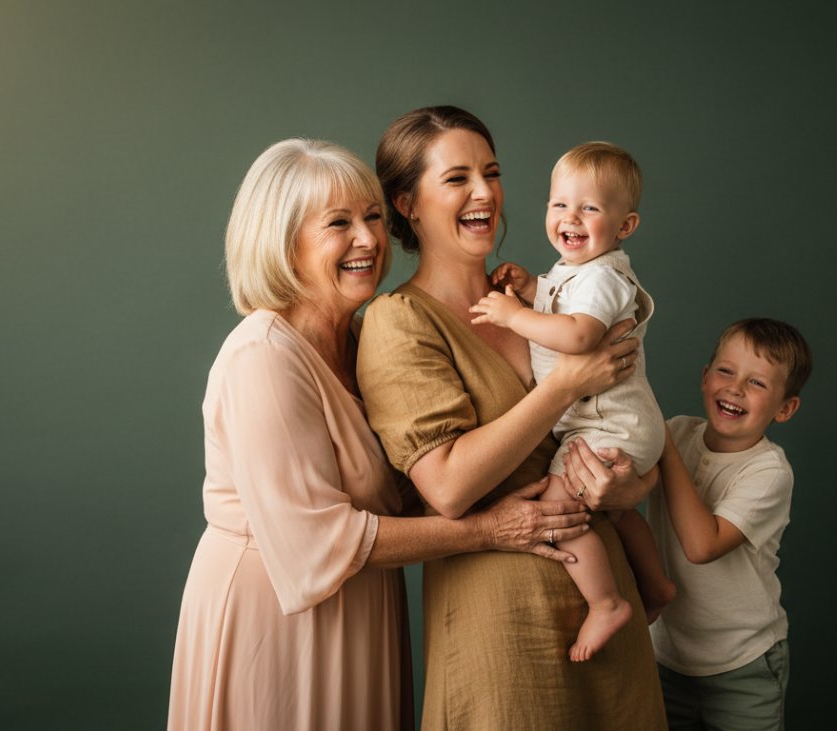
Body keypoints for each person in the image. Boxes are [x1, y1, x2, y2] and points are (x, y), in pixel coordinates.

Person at [166, 138, 595, 731]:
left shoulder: (361, 338)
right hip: (278, 617)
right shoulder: (262, 355)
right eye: (338, 224)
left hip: (362, 605)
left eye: (371, 217)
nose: (368, 239)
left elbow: (408, 481)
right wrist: (486, 529)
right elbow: (318, 540)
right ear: (282, 239)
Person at [358, 106, 667, 729]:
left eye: (492, 172)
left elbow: (628, 416)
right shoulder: (400, 321)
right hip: (501, 615)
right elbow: (446, 487)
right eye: (456, 178)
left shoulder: (556, 292)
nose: (484, 193)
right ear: (407, 203)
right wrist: (564, 388)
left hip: (607, 605)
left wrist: (635, 486)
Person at [469, 141, 676, 660]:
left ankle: (606, 603)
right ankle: (658, 586)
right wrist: (533, 286)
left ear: (624, 226)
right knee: (619, 512)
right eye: (559, 205)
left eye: (590, 208)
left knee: (559, 508)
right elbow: (566, 302)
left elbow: (581, 335)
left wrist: (514, 316)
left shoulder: (605, 275)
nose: (571, 217)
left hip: (605, 423)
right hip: (622, 421)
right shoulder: (578, 270)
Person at [648, 318, 812, 730]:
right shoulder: (676, 432)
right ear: (705, 378)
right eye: (725, 371)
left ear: (785, 408)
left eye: (757, 383)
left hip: (742, 665)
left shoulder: (769, 471)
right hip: (665, 658)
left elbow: (702, 546)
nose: (735, 388)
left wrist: (664, 449)